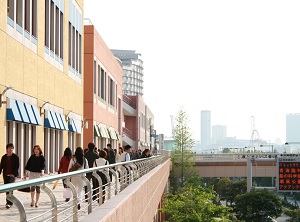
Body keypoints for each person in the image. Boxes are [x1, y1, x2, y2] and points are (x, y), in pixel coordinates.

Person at [0, 143, 20, 209]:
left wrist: (14, 174)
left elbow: (17, 166)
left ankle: (9, 203)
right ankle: (8, 202)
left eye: (12, 148)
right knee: (7, 189)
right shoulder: (4, 157)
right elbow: (1, 166)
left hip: (12, 175)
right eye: (9, 148)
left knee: (10, 189)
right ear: (7, 149)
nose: (10, 149)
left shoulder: (16, 157)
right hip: (5, 175)